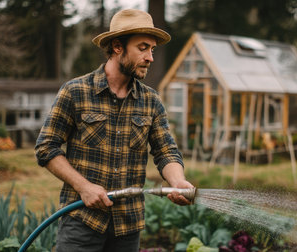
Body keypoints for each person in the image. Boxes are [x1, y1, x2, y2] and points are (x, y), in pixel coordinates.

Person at [35, 9, 194, 252]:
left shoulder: (151, 101)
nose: (150, 57)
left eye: (152, 49)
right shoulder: (75, 92)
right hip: (81, 223)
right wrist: (83, 187)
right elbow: (46, 147)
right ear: (117, 47)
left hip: (128, 229)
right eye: (143, 48)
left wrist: (178, 181)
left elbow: (166, 151)